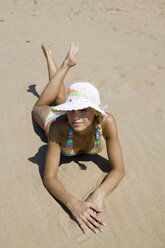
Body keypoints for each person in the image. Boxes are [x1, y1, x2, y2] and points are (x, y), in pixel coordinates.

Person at [32, 42, 125, 234]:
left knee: (60, 98)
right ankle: (57, 60)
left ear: (95, 111)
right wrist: (73, 203)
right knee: (40, 106)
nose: (75, 117)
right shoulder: (59, 126)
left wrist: (98, 194)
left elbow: (119, 169)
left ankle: (61, 61)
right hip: (51, 120)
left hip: (70, 116)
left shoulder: (107, 122)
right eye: (72, 110)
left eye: (83, 110)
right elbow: (49, 177)